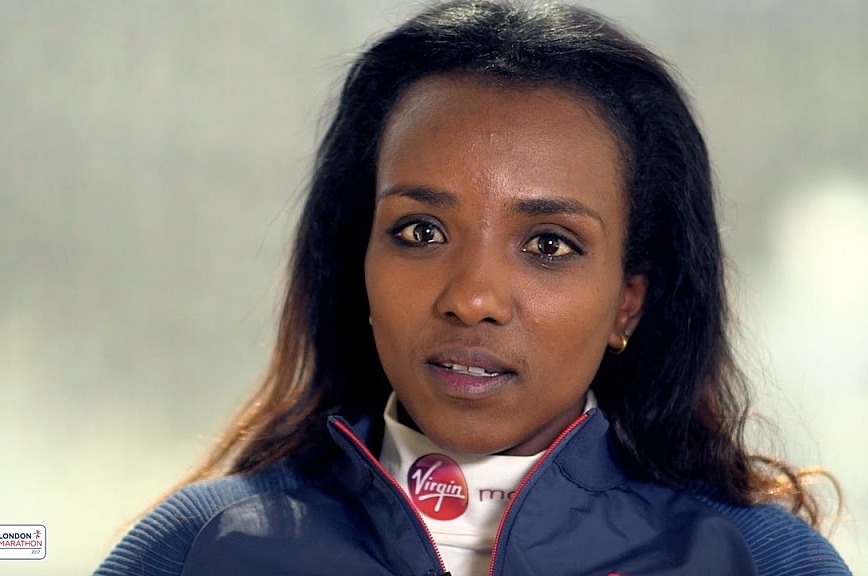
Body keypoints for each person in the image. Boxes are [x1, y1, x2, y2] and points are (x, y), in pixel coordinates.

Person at [95, 2, 850, 574]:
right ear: (359, 262)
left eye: (549, 244)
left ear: (629, 300)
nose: (472, 298)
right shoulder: (196, 548)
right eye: (420, 232)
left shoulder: (759, 560)